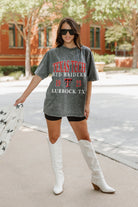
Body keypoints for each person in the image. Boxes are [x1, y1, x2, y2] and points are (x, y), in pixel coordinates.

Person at [14, 17, 115, 195]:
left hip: (76, 103)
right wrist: (23, 96)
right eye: (63, 31)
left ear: (76, 31)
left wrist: (87, 104)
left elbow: (90, 80)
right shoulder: (53, 54)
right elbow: (38, 76)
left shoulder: (85, 53)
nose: (67, 34)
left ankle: (98, 178)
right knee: (54, 139)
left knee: (85, 139)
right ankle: (59, 179)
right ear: (60, 34)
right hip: (54, 102)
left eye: (70, 31)